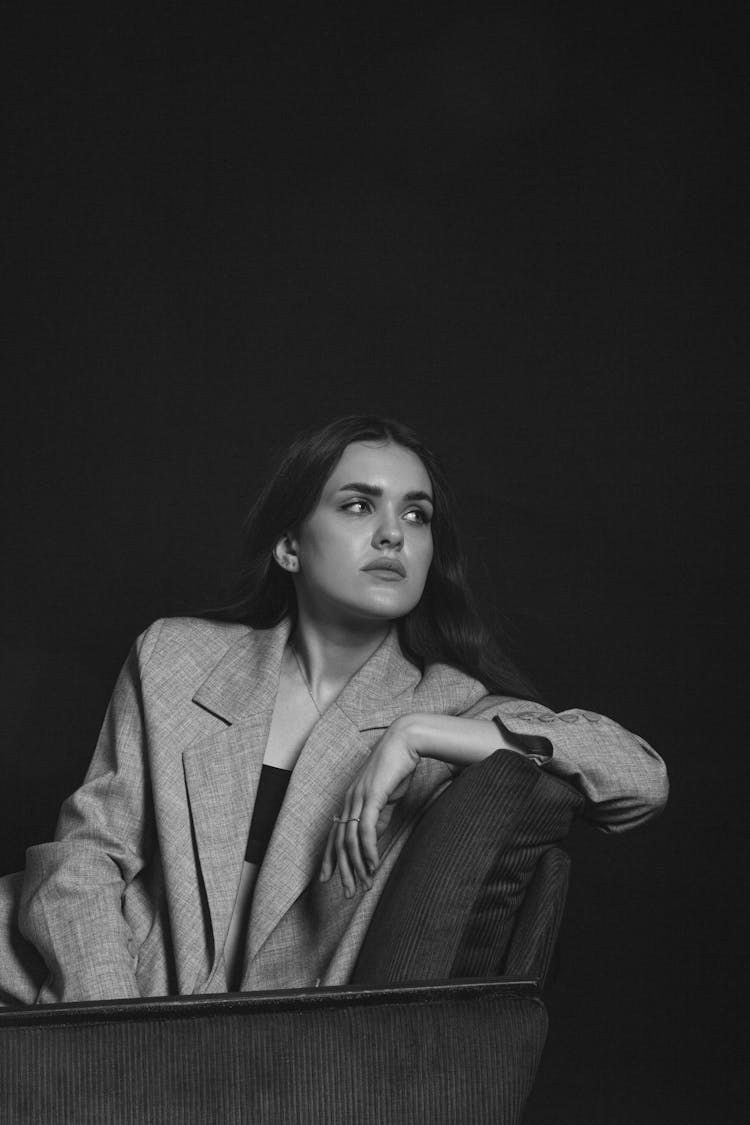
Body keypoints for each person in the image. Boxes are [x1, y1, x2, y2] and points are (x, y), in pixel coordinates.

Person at [0, 415, 668, 1006]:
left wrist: (417, 734)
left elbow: (640, 776)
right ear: (289, 545)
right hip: (106, 991)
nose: (391, 535)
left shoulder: (452, 707)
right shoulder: (177, 656)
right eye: (357, 505)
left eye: (416, 515)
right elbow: (84, 857)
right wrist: (111, 1029)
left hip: (286, 1049)